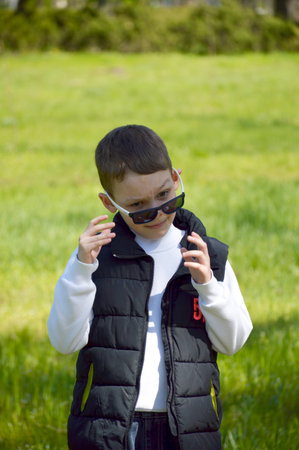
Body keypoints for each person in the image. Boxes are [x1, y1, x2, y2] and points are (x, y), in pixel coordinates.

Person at [48, 124, 253, 450]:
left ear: (175, 178)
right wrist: (80, 270)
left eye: (165, 196)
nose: (157, 212)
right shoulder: (95, 260)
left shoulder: (207, 256)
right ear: (109, 202)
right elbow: (64, 341)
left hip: (189, 427)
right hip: (112, 427)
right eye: (139, 207)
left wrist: (210, 288)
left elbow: (232, 342)